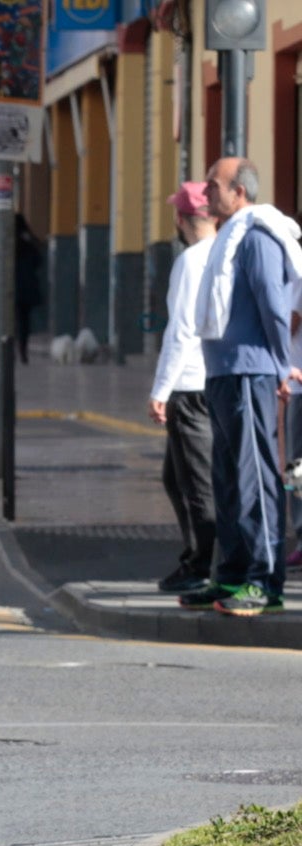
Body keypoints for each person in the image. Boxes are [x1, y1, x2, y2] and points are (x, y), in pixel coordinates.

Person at [185, 157, 302, 616]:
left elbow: (275, 306)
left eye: (214, 184)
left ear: (239, 192)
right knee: (229, 481)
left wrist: (281, 364)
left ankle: (263, 582)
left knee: (254, 479)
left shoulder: (255, 239)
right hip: (221, 373)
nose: (206, 191)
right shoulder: (226, 241)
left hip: (251, 372)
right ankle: (230, 576)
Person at [147, 182, 217, 594]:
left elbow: (182, 331)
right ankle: (198, 557)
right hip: (215, 379)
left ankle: (201, 565)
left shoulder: (191, 261)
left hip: (190, 384)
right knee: (177, 479)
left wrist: (161, 388)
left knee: (195, 483)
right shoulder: (226, 253)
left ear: (182, 219)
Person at [13, 217, 42, 363]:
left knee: (14, 319)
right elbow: (39, 261)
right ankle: (22, 349)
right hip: (27, 287)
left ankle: (11, 347)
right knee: (24, 321)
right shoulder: (28, 242)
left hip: (12, 287)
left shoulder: (9, 242)